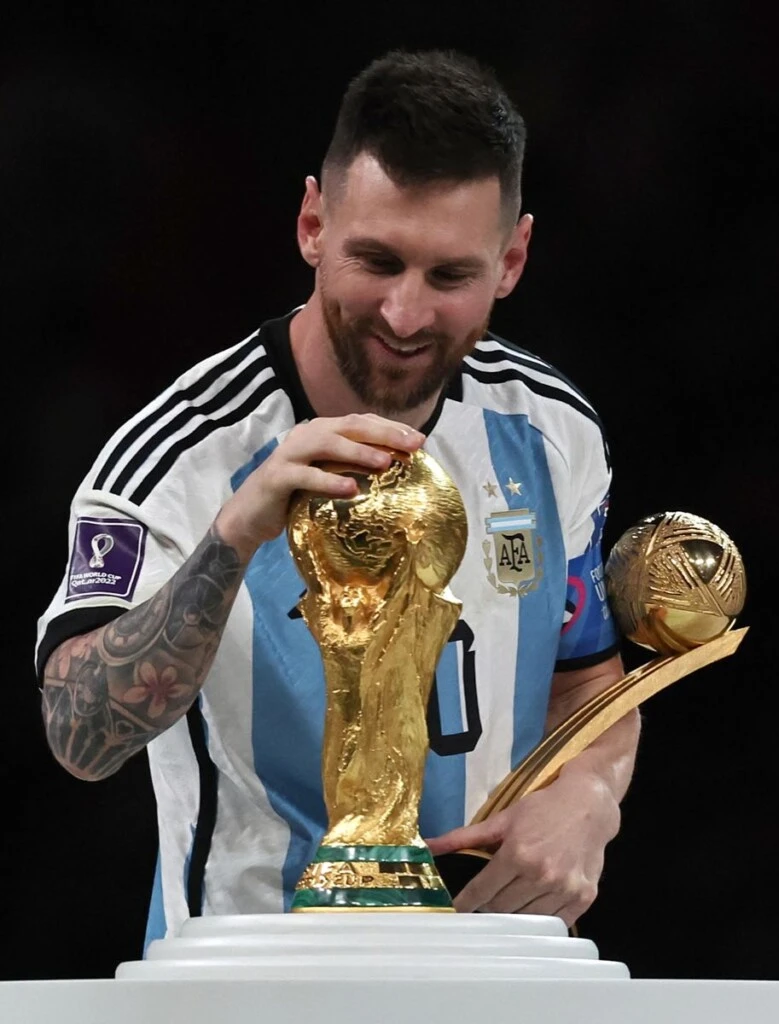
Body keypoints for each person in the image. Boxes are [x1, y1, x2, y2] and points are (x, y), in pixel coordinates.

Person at [36, 49, 640, 946]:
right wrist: (233, 537)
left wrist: (589, 791)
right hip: (247, 974)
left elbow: (585, 676)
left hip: (490, 965)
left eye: (450, 276)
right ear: (312, 224)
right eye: (377, 261)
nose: (405, 314)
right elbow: (79, 735)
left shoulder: (552, 433)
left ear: (511, 259)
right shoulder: (181, 457)